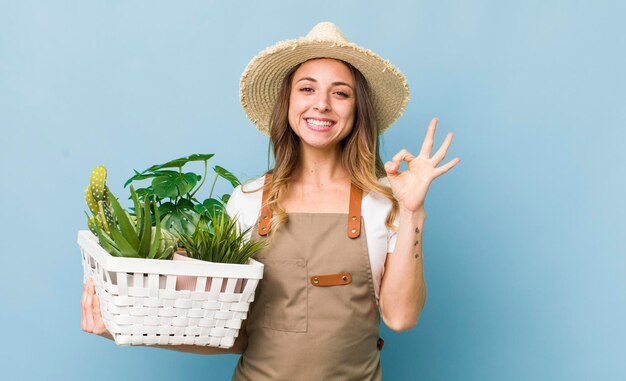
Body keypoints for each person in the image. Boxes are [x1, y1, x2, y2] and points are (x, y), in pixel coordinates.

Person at [81, 22, 460, 380]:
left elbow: (401, 317)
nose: (322, 104)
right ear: (288, 103)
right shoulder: (247, 201)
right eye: (307, 89)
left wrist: (412, 212)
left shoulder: (384, 202)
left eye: (340, 92)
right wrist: (120, 327)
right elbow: (230, 334)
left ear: (357, 109)